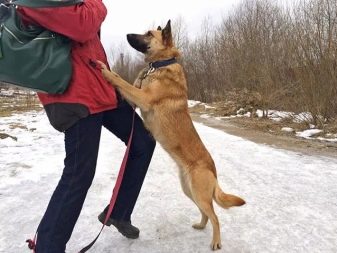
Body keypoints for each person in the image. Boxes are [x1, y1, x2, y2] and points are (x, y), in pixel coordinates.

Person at [19, 0, 156, 252]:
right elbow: (82, 25)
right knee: (79, 173)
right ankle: (48, 246)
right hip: (73, 95)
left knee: (143, 142)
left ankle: (118, 212)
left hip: (101, 91)